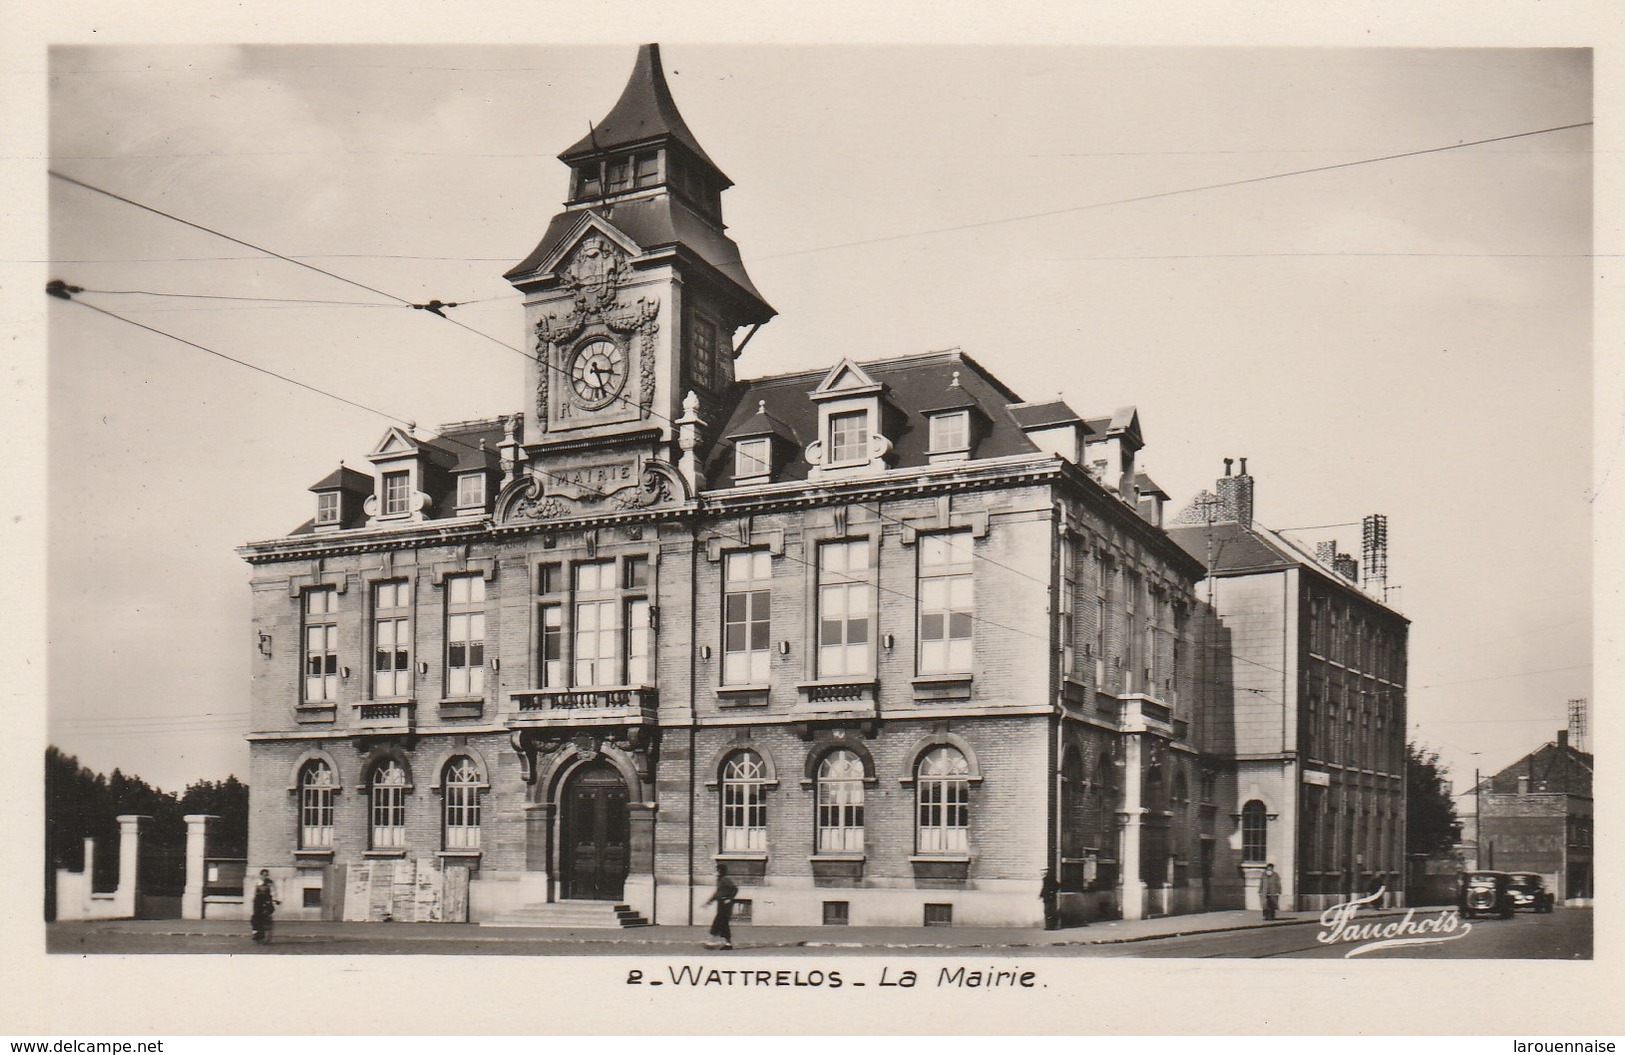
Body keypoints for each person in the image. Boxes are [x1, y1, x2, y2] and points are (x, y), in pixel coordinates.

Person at [703, 864, 738, 950]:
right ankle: (728, 944)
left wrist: (729, 898)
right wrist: (709, 902)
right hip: (721, 903)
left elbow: (735, 889)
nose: (715, 872)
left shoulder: (725, 880)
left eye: (717, 870)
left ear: (720, 871)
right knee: (724, 924)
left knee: (717, 921)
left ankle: (709, 942)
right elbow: (717, 893)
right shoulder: (720, 880)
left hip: (725, 904)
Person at [250, 869, 280, 945]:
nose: (265, 876)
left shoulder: (270, 882)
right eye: (263, 875)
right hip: (258, 900)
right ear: (261, 875)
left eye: (266, 875)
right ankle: (255, 931)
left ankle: (267, 926)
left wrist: (276, 899)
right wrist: (253, 898)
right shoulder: (257, 882)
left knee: (269, 910)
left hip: (267, 900)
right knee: (256, 916)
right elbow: (253, 892)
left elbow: (273, 891)